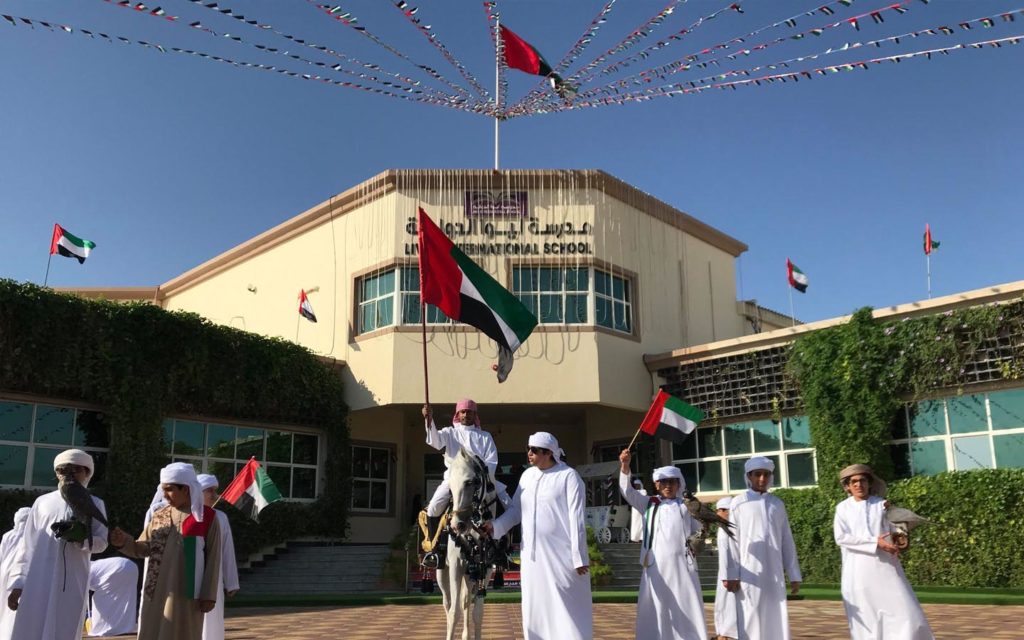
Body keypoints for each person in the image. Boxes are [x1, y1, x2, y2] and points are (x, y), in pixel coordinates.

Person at [483, 432, 592, 640]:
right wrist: (495, 526)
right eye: (528, 449)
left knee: (566, 609)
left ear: (548, 453)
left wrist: (579, 557)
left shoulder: (569, 476)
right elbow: (516, 511)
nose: (529, 453)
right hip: (532, 559)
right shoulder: (527, 476)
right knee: (535, 609)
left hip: (562, 558)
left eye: (534, 450)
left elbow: (577, 518)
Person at [109, 462, 222, 640]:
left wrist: (208, 594)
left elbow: (213, 558)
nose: (164, 495)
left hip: (187, 594)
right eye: (163, 490)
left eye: (169, 489)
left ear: (186, 489)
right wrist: (124, 542)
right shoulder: (159, 515)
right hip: (157, 591)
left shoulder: (206, 517)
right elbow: (143, 548)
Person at [4, 449, 108, 640]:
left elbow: (101, 543)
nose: (69, 474)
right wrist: (18, 583)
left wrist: (81, 539)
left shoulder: (96, 503)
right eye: (63, 470)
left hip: (73, 580)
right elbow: (27, 546)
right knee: (31, 628)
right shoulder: (42, 502)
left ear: (87, 472)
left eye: (76, 469)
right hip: (39, 579)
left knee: (64, 628)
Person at [834, 464, 934, 640]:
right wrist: (875, 542)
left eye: (862, 480)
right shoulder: (843, 508)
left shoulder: (882, 505)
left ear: (869, 483)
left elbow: (896, 530)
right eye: (854, 481)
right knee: (868, 617)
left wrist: (900, 538)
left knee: (906, 612)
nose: (858, 484)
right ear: (847, 486)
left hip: (886, 567)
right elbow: (841, 538)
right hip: (857, 571)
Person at [618, 450, 707, 640]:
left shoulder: (687, 506)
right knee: (656, 606)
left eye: (672, 482)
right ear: (657, 484)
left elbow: (698, 530)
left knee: (686, 603)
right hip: (655, 566)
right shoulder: (648, 504)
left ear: (678, 484)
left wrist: (699, 540)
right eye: (664, 482)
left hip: (683, 566)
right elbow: (627, 491)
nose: (668, 486)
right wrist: (625, 466)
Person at [421, 399, 509, 567]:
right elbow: (434, 441)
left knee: (508, 504)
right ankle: (435, 551)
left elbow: (492, 461)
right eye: (463, 412)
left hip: (481, 480)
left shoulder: (485, 436)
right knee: (433, 508)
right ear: (457, 414)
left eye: (469, 412)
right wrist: (429, 420)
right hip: (454, 480)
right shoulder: (450, 433)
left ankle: (502, 550)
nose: (466, 414)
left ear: (475, 415)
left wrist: (481, 477)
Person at [721, 456, 801, 640]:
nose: (762, 479)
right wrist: (731, 574)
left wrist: (794, 574)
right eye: (757, 474)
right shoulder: (739, 503)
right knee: (751, 616)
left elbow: (787, 541)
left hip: (774, 573)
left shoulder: (777, 504)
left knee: (776, 616)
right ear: (749, 476)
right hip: (748, 572)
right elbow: (732, 541)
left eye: (766, 474)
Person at [197, 473, 240, 640]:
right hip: (188, 577)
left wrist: (231, 582)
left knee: (212, 622)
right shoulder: (184, 514)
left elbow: (227, 550)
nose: (215, 496)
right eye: (209, 491)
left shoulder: (220, 517)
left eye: (215, 491)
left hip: (213, 578)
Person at [87, 557, 138, 637]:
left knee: (101, 601)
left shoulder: (82, 570)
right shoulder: (90, 565)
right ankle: (124, 627)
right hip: (131, 566)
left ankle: (105, 629)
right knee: (125, 599)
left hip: (116, 569)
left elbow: (81, 596)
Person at [0, 508, 30, 638]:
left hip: (5, 572)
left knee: (4, 607)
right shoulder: (33, 537)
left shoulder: (8, 535)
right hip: (22, 575)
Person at [713, 497, 738, 640]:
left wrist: (725, 576)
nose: (718, 513)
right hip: (730, 572)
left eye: (721, 510)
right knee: (724, 604)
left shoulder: (725, 529)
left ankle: (725, 634)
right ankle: (723, 633)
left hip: (728, 573)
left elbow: (725, 554)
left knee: (726, 604)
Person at [628, 476, 647, 543]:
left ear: (640, 485)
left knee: (641, 524)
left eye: (637, 485)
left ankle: (642, 537)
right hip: (635, 511)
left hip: (641, 510)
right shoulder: (634, 492)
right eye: (635, 485)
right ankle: (635, 538)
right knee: (635, 524)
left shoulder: (643, 491)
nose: (636, 486)